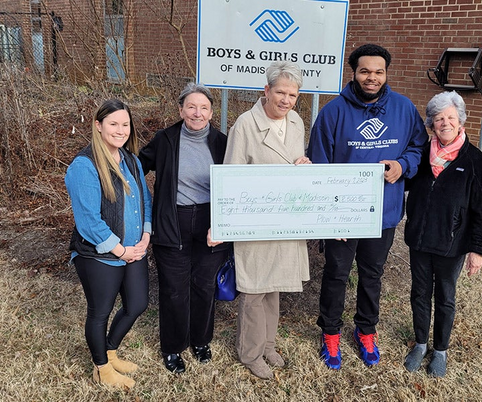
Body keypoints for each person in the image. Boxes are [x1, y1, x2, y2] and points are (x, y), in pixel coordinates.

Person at [307, 43, 428, 370]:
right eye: (365, 71)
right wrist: (330, 218)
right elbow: (319, 165)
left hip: (383, 213)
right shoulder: (332, 112)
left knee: (372, 274)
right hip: (342, 216)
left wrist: (403, 165)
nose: (371, 77)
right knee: (336, 273)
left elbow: (419, 148)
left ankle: (366, 329)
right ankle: (330, 332)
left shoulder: (403, 109)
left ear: (386, 73)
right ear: (354, 73)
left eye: (378, 71)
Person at [222, 61, 311, 380]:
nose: (286, 100)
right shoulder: (245, 125)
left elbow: (294, 164)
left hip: (286, 218)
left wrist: (303, 164)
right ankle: (250, 352)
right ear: (266, 91)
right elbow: (230, 176)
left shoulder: (297, 122)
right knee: (254, 289)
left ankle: (269, 345)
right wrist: (230, 222)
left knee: (276, 286)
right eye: (281, 92)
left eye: (293, 94)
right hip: (255, 218)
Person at [138, 83, 229, 374]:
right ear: (180, 110)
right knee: (174, 289)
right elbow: (137, 166)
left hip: (210, 222)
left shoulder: (222, 142)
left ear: (212, 112)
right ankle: (173, 347)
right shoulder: (165, 139)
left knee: (204, 286)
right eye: (191, 106)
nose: (197, 113)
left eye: (203, 107)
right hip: (172, 220)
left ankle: (200, 341)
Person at [403, 91, 482, 377]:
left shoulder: (475, 160)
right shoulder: (420, 156)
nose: (445, 123)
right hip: (419, 239)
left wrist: (478, 250)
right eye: (439, 118)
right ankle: (420, 343)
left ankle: (439, 350)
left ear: (460, 121)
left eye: (451, 117)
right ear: (431, 123)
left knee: (445, 297)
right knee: (419, 293)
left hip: (451, 244)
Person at [65, 99, 152, 389]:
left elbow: (145, 202)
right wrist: (121, 250)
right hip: (100, 255)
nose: (120, 130)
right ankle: (101, 369)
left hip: (134, 249)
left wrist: (145, 237)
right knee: (99, 312)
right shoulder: (84, 165)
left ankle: (110, 350)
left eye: (125, 124)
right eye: (113, 124)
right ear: (98, 126)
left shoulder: (132, 160)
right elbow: (88, 221)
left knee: (137, 304)